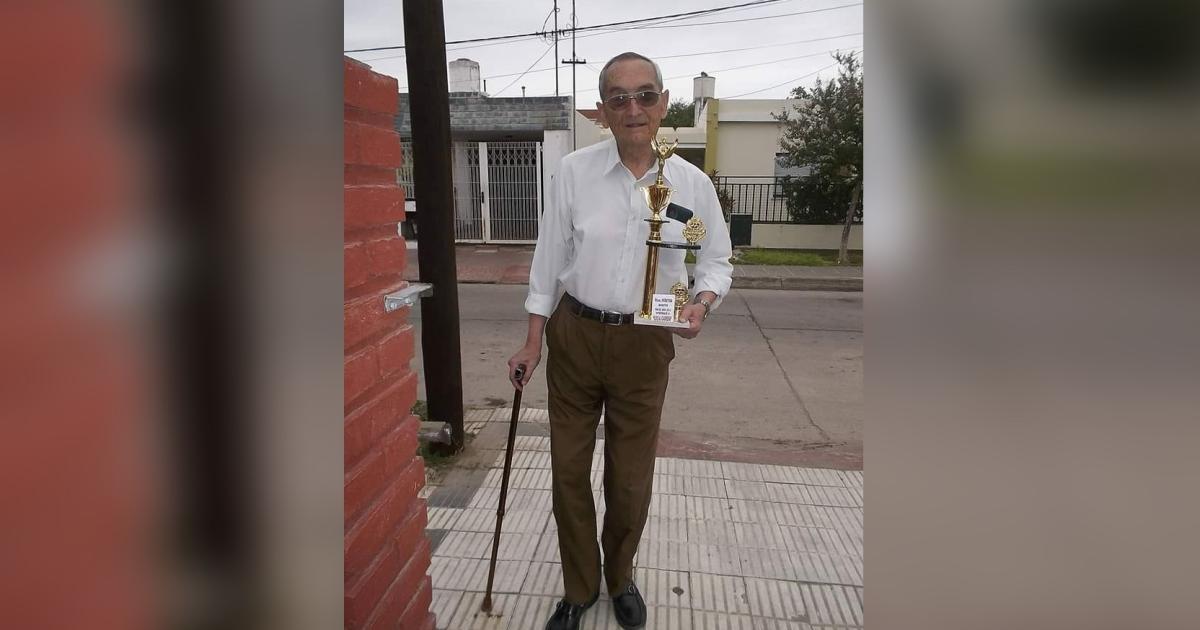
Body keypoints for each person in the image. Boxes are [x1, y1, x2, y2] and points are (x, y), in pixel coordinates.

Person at [507, 51, 733, 630]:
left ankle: (620, 575)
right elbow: (548, 259)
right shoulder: (574, 173)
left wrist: (702, 302)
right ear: (602, 110)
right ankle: (579, 587)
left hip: (645, 344)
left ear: (664, 103)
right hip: (576, 336)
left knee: (629, 480)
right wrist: (533, 341)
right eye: (619, 98)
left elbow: (716, 260)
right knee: (567, 471)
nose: (634, 108)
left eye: (645, 95)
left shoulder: (692, 184)